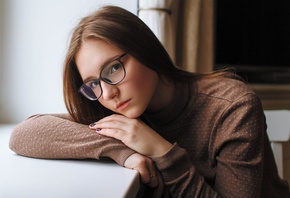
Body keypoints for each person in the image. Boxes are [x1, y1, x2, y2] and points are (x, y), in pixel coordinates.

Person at [9, 5, 290, 198]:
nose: (107, 94)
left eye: (114, 69)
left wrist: (161, 150)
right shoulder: (119, 112)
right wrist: (123, 151)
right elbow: (24, 134)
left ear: (145, 48)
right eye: (93, 83)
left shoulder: (232, 107)